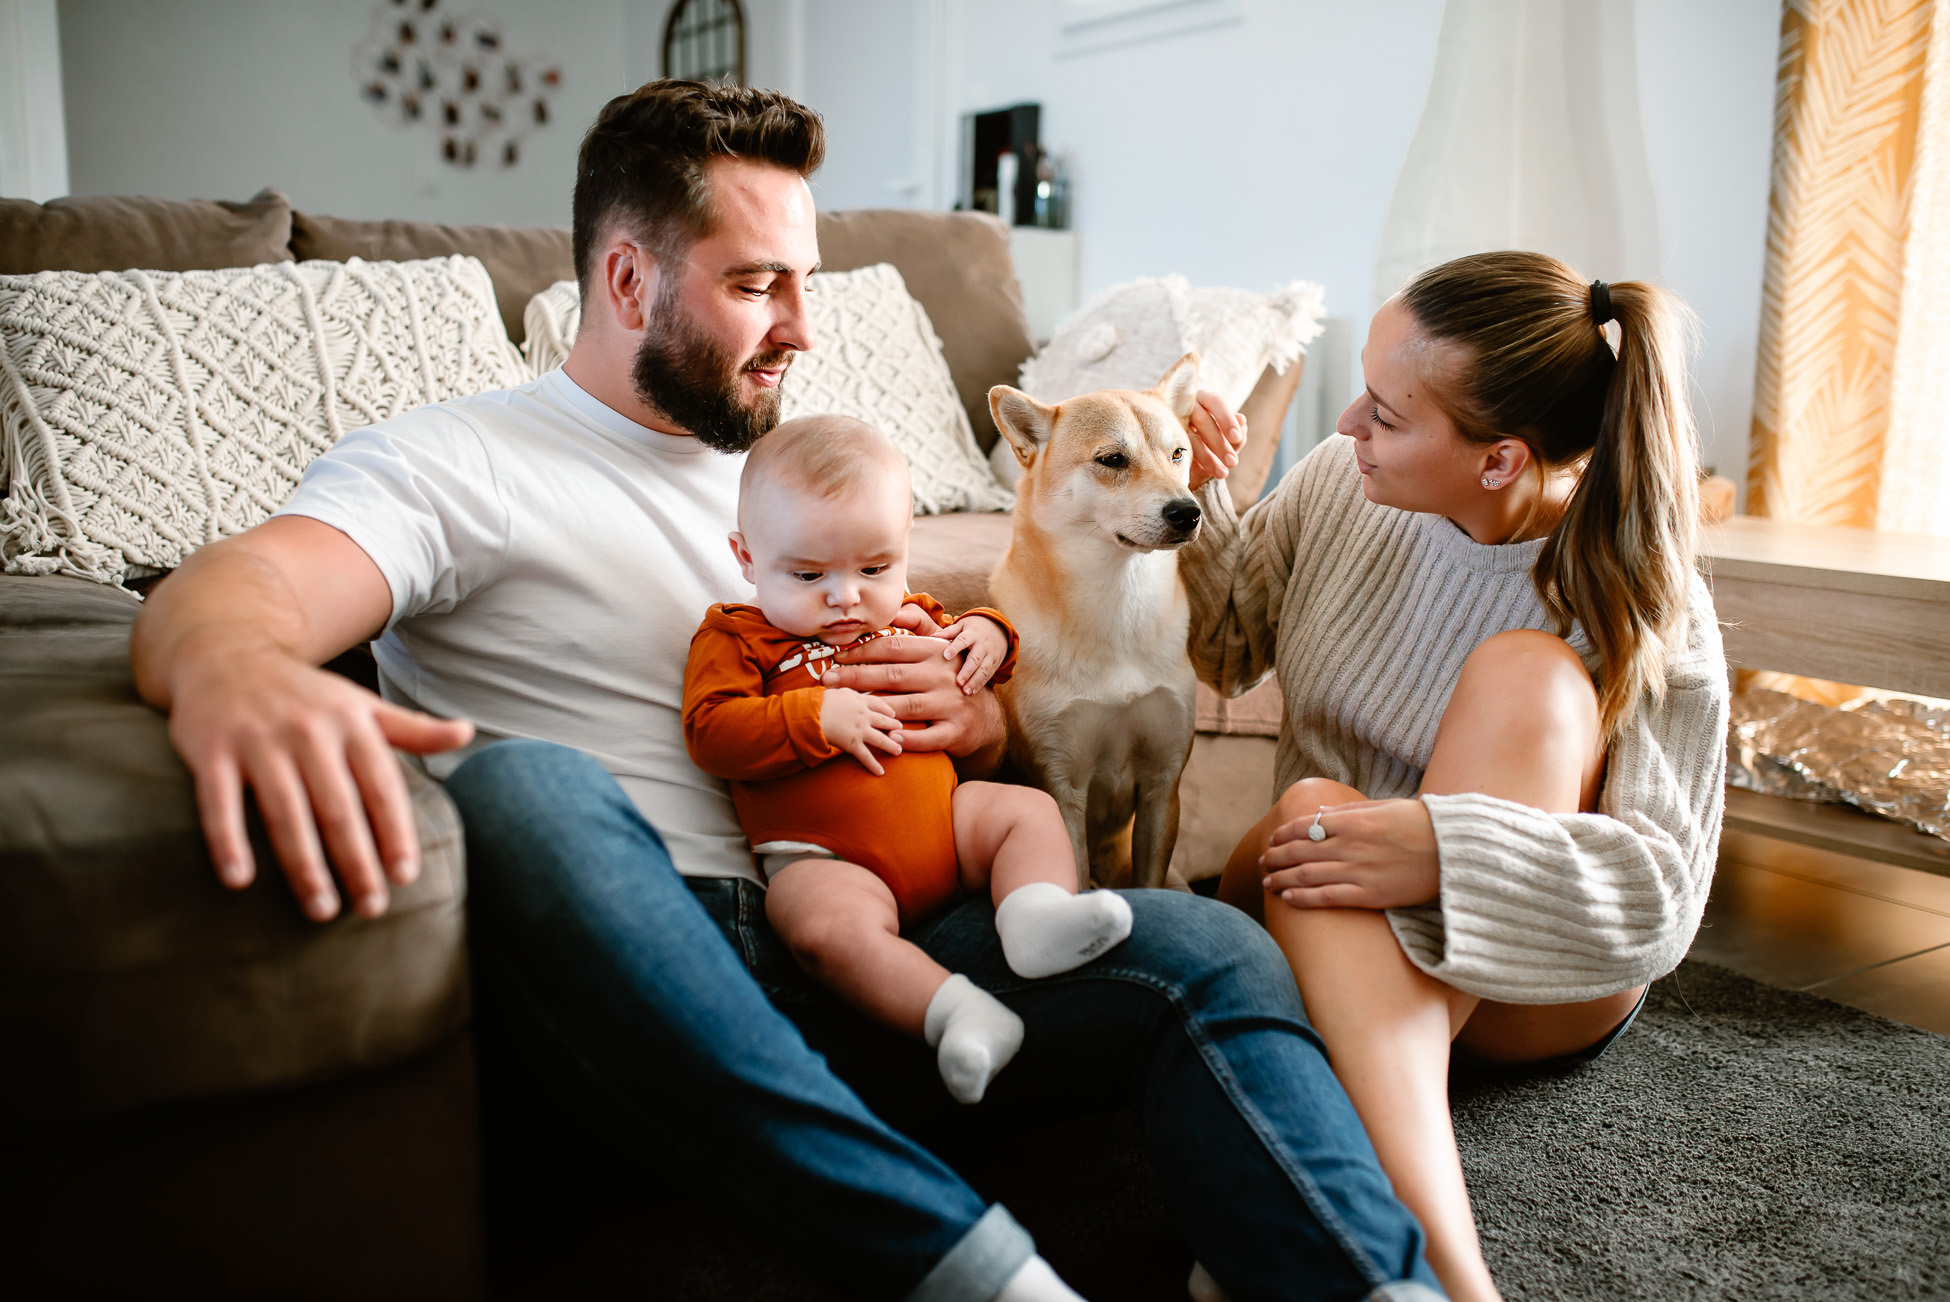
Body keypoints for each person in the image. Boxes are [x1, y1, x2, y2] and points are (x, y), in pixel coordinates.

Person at [130, 78, 1444, 1302]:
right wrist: (235, 664)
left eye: (803, 284)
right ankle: (970, 1262)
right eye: (758, 285)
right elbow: (239, 586)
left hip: (888, 950)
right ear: (629, 276)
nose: (802, 330)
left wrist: (970, 711)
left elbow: (972, 693)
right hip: (645, 962)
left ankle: (1373, 1285)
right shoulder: (454, 460)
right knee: (521, 783)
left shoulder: (806, 474)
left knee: (1205, 946)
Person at [1178, 252, 1728, 1302]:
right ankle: (1439, 1266)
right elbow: (1228, 649)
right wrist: (1197, 488)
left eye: (1386, 413)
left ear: (1498, 458)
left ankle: (1352, 1205)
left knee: (1526, 678)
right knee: (1319, 819)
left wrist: (1446, 847)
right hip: (1316, 884)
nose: (1345, 424)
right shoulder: (1343, 487)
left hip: (1529, 979)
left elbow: (1662, 895)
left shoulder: (1638, 586)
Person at [683, 413, 1134, 1105]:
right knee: (818, 928)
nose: (845, 597)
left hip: (949, 828)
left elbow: (969, 637)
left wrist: (990, 633)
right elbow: (710, 732)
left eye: (874, 567)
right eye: (807, 573)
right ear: (746, 559)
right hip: (830, 860)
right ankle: (957, 1014)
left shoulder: (902, 615)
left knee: (1024, 811)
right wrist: (813, 715)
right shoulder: (739, 638)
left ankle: (1035, 916)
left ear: (903, 548)